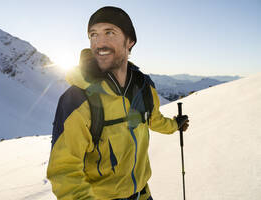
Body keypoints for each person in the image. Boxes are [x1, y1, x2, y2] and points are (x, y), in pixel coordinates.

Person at [47, 6, 189, 200]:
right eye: (93, 35)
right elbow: (64, 171)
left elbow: (153, 120)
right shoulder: (78, 99)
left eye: (109, 32)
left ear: (130, 42)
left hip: (143, 193)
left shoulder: (143, 87)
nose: (99, 43)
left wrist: (175, 125)